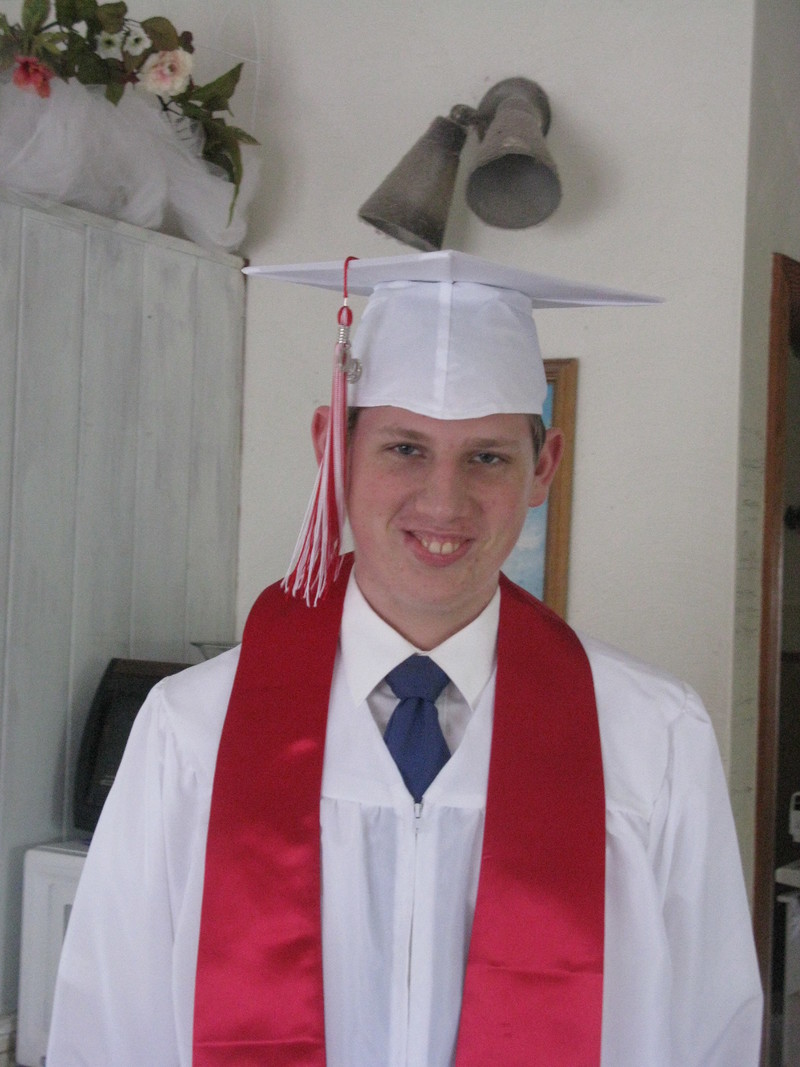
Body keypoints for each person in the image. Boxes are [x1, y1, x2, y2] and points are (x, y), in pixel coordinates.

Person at [47, 251, 763, 1066]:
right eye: (405, 448)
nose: (444, 501)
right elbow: (111, 1025)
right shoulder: (192, 731)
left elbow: (712, 1029)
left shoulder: (652, 737)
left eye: (487, 456)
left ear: (544, 467)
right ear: (333, 445)